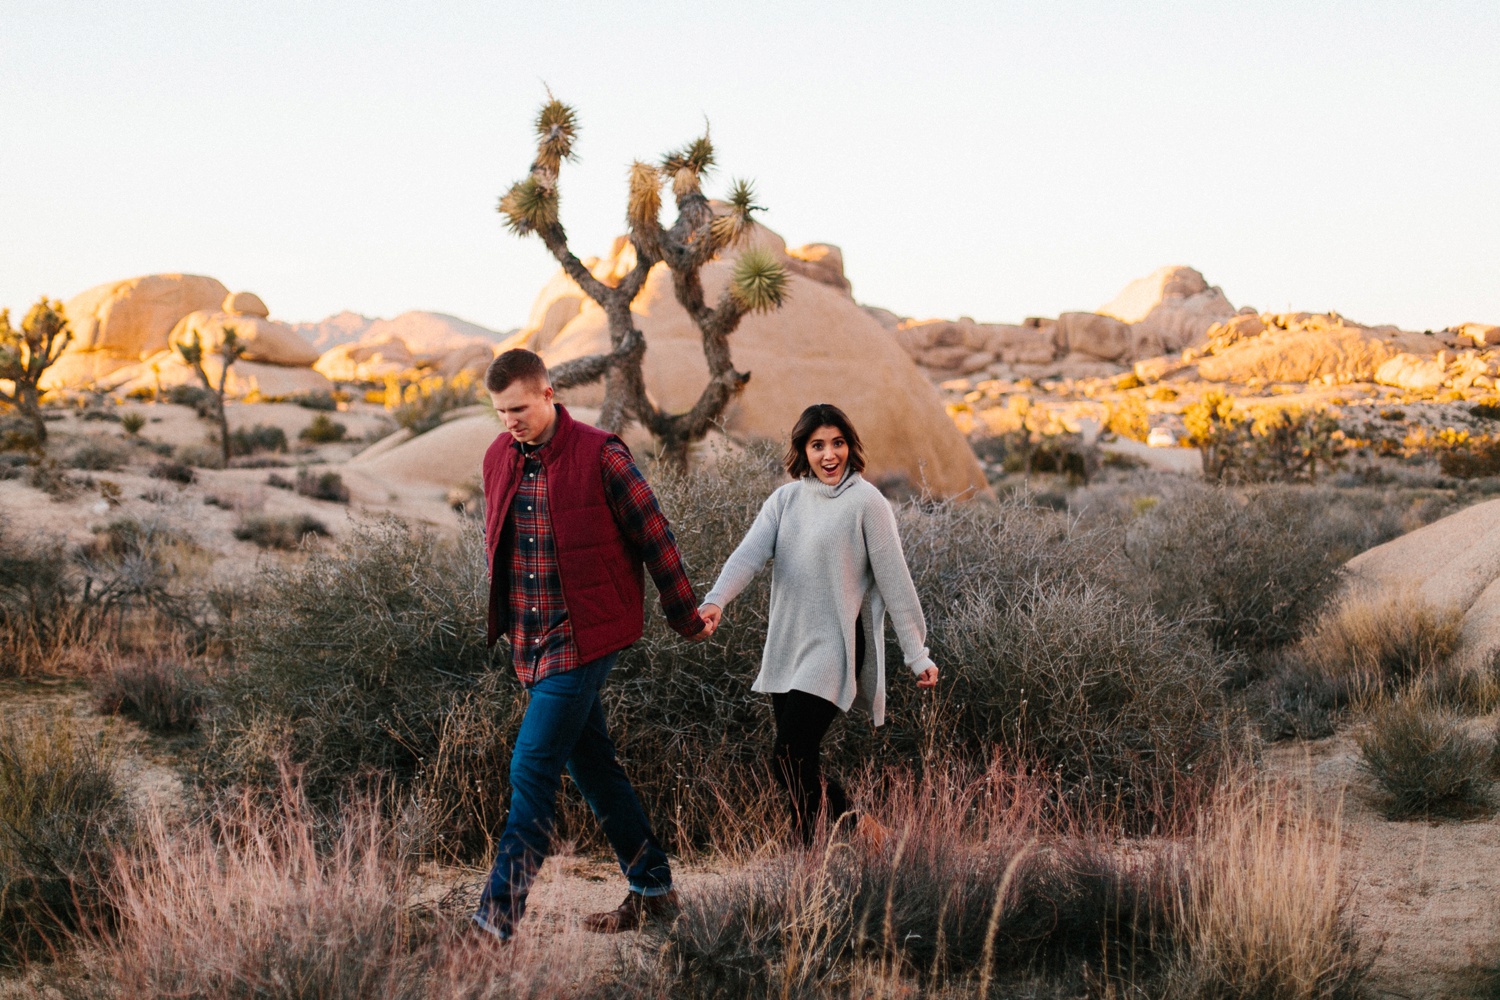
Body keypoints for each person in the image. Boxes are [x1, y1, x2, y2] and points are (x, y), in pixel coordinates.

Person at [471, 349, 715, 942]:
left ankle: (492, 926)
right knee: (594, 768)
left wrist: (686, 615)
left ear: (550, 393)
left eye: (521, 408)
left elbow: (656, 535)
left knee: (531, 768)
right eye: (501, 411)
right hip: (532, 643)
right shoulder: (498, 457)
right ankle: (654, 890)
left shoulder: (601, 455)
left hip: (583, 638)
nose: (511, 421)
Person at [699, 403, 938, 845]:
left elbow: (895, 580)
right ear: (803, 451)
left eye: (838, 443)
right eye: (818, 445)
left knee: (787, 753)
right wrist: (716, 600)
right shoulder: (786, 500)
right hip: (788, 644)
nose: (830, 455)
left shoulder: (867, 503)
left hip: (836, 644)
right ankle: (819, 852)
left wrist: (916, 652)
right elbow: (749, 555)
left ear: (850, 447)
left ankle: (847, 836)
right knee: (798, 762)